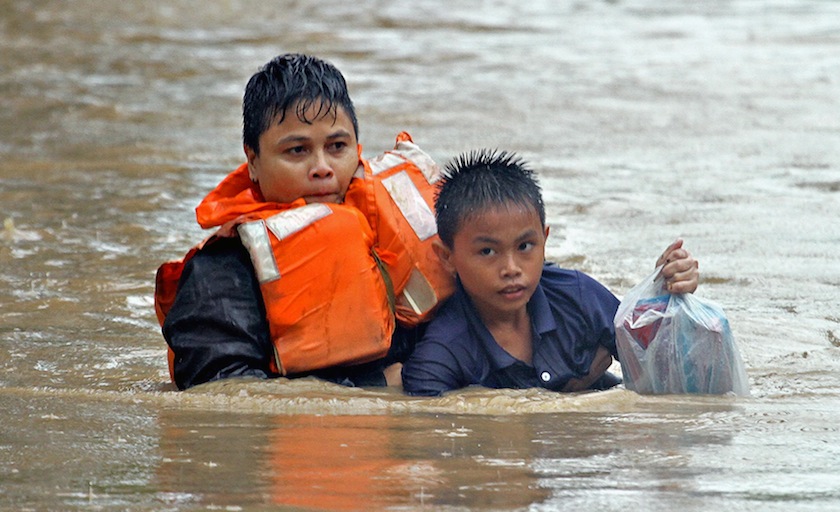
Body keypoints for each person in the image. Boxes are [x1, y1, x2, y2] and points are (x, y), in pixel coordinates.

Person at [154, 53, 450, 390]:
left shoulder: (397, 233)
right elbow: (219, 397)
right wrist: (382, 386)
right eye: (297, 150)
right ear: (253, 160)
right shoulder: (220, 273)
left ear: (358, 149)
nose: (322, 166)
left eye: (337, 146)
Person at [401, 149, 700, 396]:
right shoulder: (443, 352)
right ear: (447, 257)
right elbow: (424, 428)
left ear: (544, 240)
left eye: (525, 246)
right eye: (488, 252)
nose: (511, 269)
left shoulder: (579, 298)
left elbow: (671, 375)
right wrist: (562, 396)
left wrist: (664, 298)